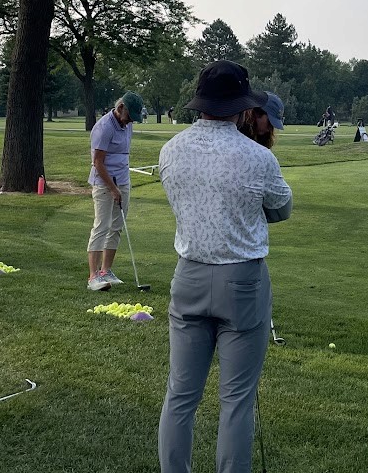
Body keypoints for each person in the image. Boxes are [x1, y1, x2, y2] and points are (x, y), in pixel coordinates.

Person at [157, 61, 292, 473]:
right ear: (242, 106)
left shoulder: (171, 149)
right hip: (242, 282)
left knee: (181, 395)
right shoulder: (257, 157)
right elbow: (282, 207)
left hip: (189, 275)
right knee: (236, 400)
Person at [87, 92, 145, 291]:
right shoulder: (104, 127)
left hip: (123, 180)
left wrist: (120, 186)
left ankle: (106, 271)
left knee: (117, 226)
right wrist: (113, 189)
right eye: (129, 116)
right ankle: (93, 276)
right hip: (104, 183)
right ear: (120, 108)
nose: (130, 121)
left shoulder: (127, 125)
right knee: (101, 226)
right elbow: (98, 162)